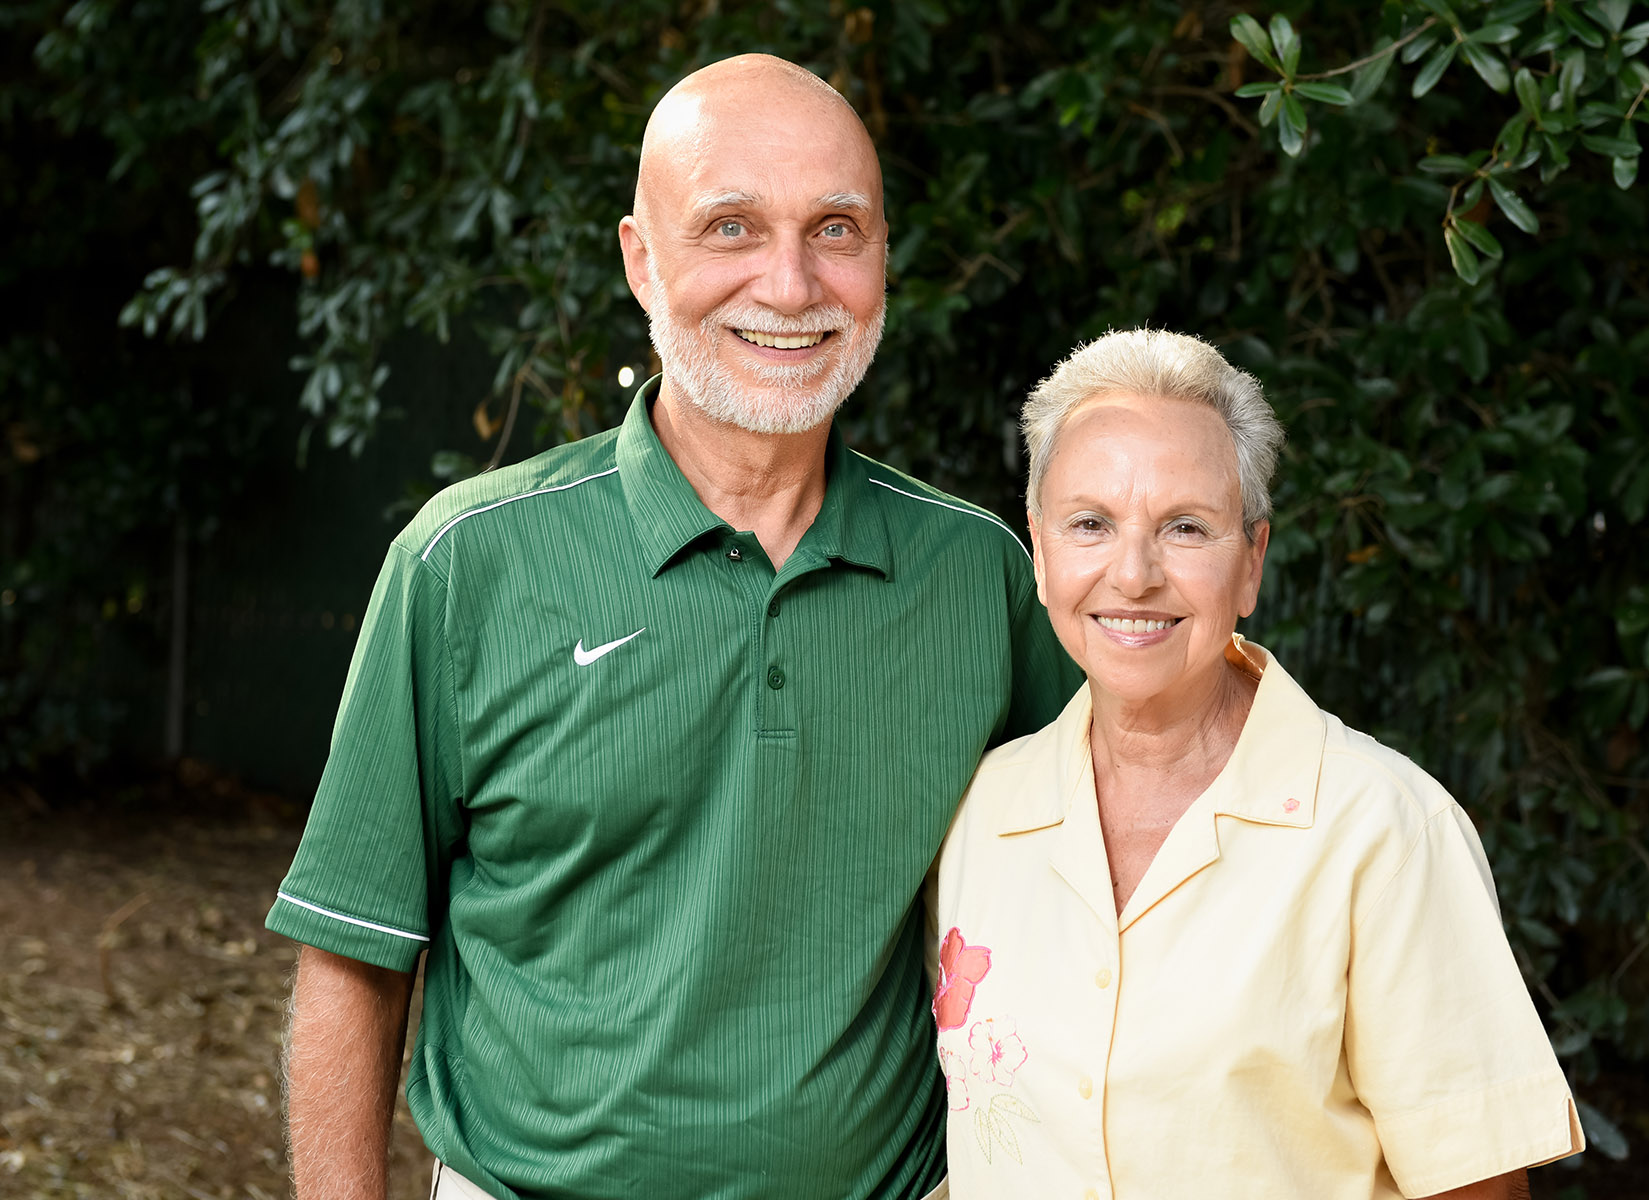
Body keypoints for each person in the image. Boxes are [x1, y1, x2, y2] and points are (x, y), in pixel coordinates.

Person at [267, 54, 1078, 1200]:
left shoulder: (978, 578)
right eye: (732, 227)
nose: (792, 285)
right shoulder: (470, 565)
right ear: (642, 261)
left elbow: (1098, 909)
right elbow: (354, 953)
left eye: (836, 229)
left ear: (884, 256)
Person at [929, 329, 1585, 1199]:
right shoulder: (983, 812)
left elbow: (1478, 1188)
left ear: (1252, 565)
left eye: (1186, 528)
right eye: (1090, 524)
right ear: (1042, 556)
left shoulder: (1384, 830)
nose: (1133, 574)